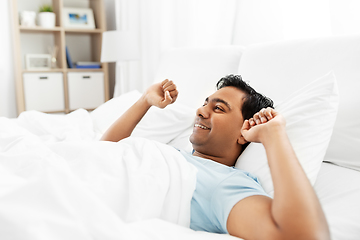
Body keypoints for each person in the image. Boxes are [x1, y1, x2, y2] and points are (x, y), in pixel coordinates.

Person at [101, 75, 330, 240]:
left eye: (219, 108)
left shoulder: (226, 183)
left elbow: (303, 235)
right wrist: (145, 101)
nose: (201, 111)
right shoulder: (176, 157)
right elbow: (105, 152)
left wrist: (274, 135)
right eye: (204, 103)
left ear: (244, 131)